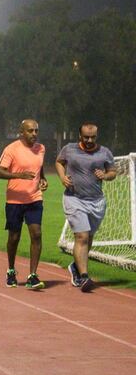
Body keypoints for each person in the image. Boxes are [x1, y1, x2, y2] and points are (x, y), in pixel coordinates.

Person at [55, 122, 116, 292]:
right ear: (79, 136)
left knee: (88, 238)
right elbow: (59, 162)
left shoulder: (104, 152)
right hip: (74, 198)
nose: (89, 140)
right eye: (86, 137)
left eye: (93, 137)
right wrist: (62, 177)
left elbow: (113, 172)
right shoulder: (69, 149)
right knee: (81, 236)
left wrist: (105, 175)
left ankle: (75, 266)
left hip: (96, 202)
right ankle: (84, 277)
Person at [0, 119, 48, 290]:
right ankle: (11, 270)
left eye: (36, 131)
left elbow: (39, 167)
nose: (34, 134)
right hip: (15, 200)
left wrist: (43, 179)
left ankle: (32, 275)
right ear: (21, 132)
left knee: (36, 234)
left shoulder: (41, 148)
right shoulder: (12, 149)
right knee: (14, 237)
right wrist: (18, 176)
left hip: (34, 198)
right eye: (30, 131)